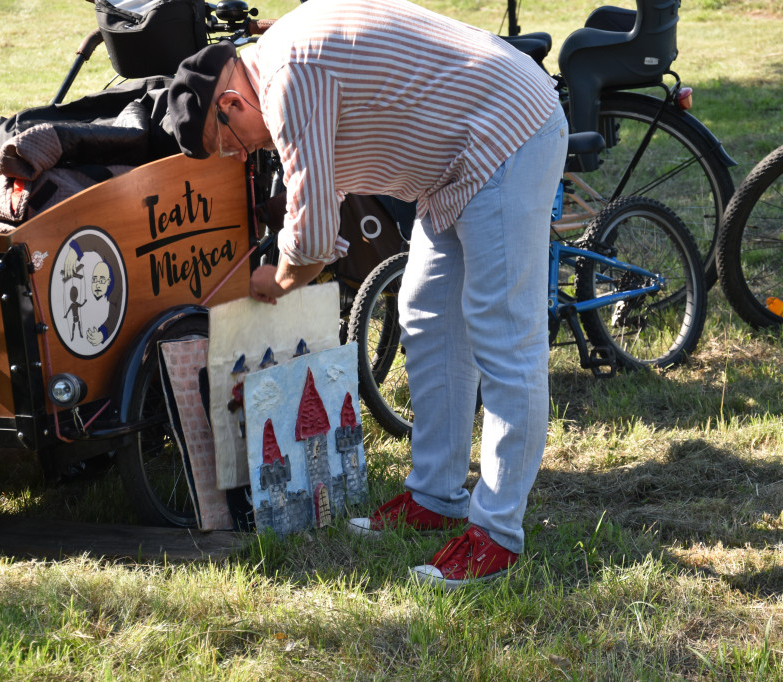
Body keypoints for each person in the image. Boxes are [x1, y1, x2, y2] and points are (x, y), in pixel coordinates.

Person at [167, 0, 568, 589]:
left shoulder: (284, 82)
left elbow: (312, 236)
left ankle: (498, 536)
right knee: (427, 315)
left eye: (229, 143)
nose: (242, 154)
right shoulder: (276, 62)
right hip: (456, 162)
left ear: (231, 103)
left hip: (506, 132)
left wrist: (276, 281)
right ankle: (436, 496)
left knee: (505, 335)